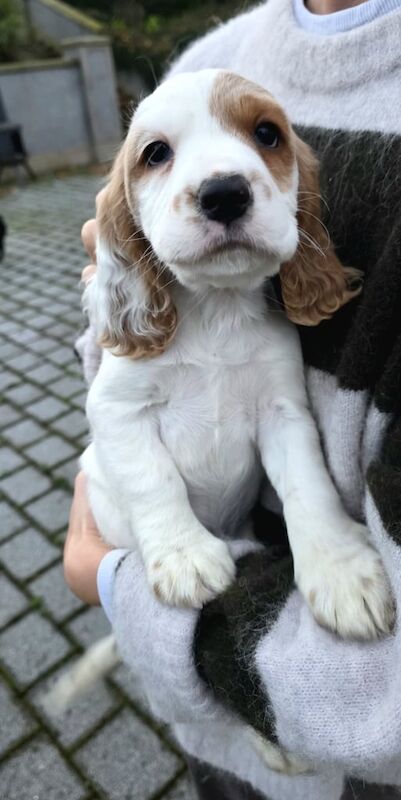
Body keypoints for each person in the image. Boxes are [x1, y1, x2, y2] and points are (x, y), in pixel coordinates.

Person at [65, 0, 401, 798]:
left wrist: (323, 539)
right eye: (157, 156)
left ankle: (251, 703)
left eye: (261, 136)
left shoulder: (270, 331)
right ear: (127, 220)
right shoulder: (217, 49)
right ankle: (235, 715)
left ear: (298, 193)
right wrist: (145, 547)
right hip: (138, 532)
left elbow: (287, 430)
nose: (218, 181)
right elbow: (114, 401)